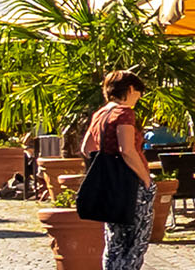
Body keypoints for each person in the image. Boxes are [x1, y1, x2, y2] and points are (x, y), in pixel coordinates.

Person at [84, 72, 160, 270]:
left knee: (114, 242)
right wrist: (146, 180)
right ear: (131, 89)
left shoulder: (100, 114)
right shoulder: (124, 113)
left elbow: (86, 148)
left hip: (109, 184)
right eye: (138, 93)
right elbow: (126, 150)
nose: (138, 98)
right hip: (131, 184)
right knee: (135, 242)